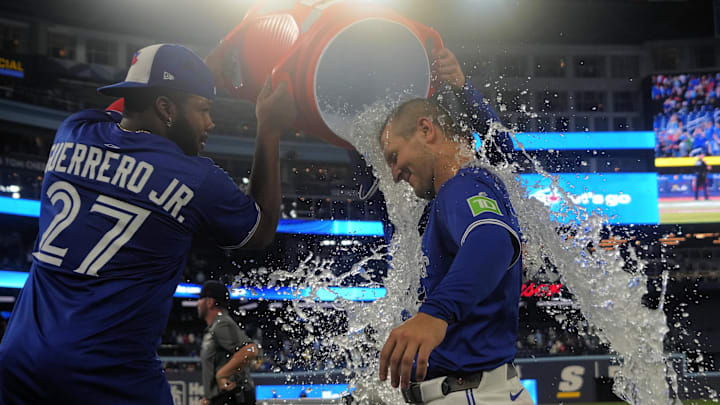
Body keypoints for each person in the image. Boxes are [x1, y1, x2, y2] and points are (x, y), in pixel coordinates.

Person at [0, 43, 296, 404]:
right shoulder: (195, 178)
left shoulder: (74, 129)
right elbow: (262, 228)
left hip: (18, 359)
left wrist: (194, 74)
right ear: (166, 108)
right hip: (107, 376)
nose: (211, 123)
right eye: (204, 109)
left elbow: (125, 113)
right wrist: (268, 127)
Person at [376, 97, 532, 404]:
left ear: (425, 129)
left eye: (394, 156)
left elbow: (493, 240)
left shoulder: (462, 186)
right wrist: (463, 89)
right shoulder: (461, 191)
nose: (394, 173)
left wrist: (436, 313)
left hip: (470, 394)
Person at [198, 280, 258, 405]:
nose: (197, 303)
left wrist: (221, 374)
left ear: (209, 302)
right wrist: (210, 397)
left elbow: (251, 350)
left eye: (200, 299)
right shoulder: (216, 326)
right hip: (224, 398)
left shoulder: (222, 323)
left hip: (233, 397)